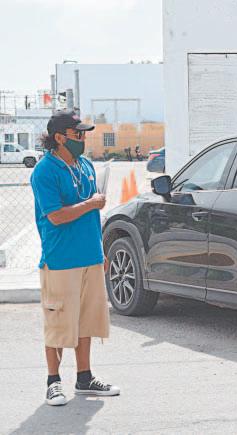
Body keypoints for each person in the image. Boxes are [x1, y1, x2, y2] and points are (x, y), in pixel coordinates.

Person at [31, 110, 120, 406]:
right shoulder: (44, 171)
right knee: (58, 322)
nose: (83, 138)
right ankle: (53, 382)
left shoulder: (85, 165)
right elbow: (56, 216)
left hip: (89, 257)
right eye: (77, 134)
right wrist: (91, 203)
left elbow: (92, 217)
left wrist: (100, 251)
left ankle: (84, 378)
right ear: (59, 138)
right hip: (60, 260)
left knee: (86, 321)